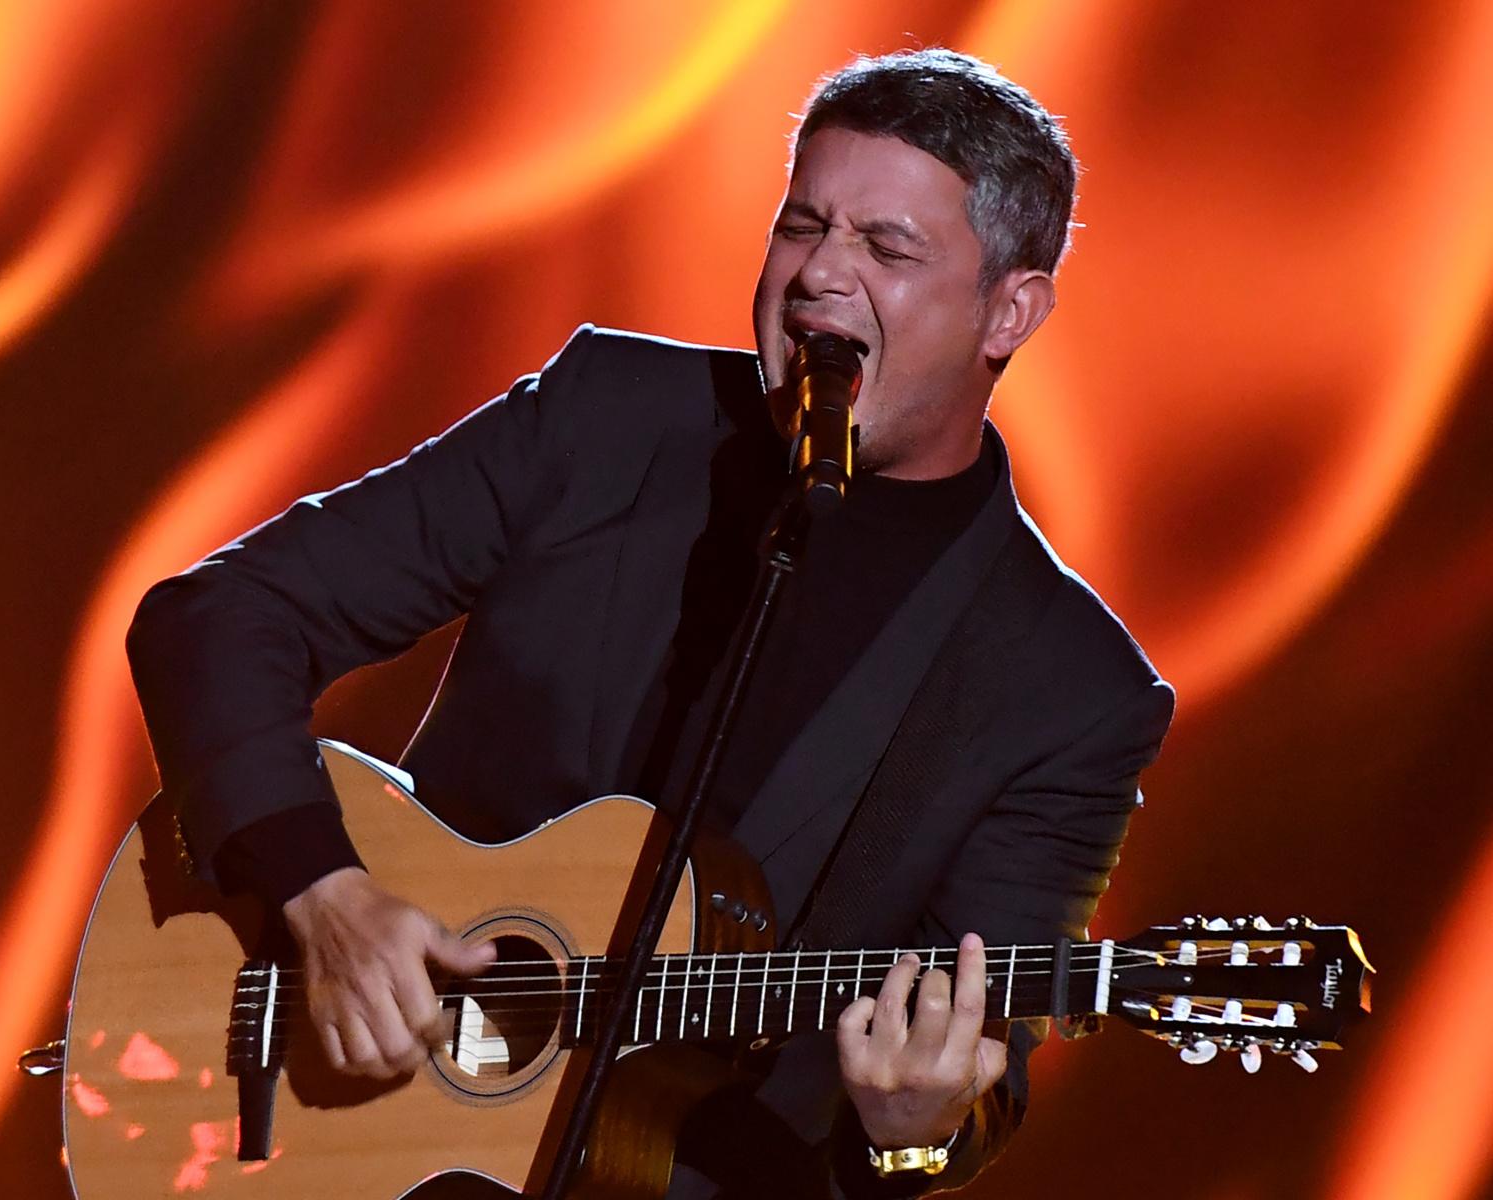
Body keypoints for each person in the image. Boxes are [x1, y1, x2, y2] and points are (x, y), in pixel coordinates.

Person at [126, 48, 1174, 1197]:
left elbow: (966, 1096)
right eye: (801, 225)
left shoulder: (1069, 688)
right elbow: (219, 615)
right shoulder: (606, 422)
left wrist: (910, 1127)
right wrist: (320, 892)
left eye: (887, 247)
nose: (819, 274)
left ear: (1009, 310)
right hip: (346, 1143)